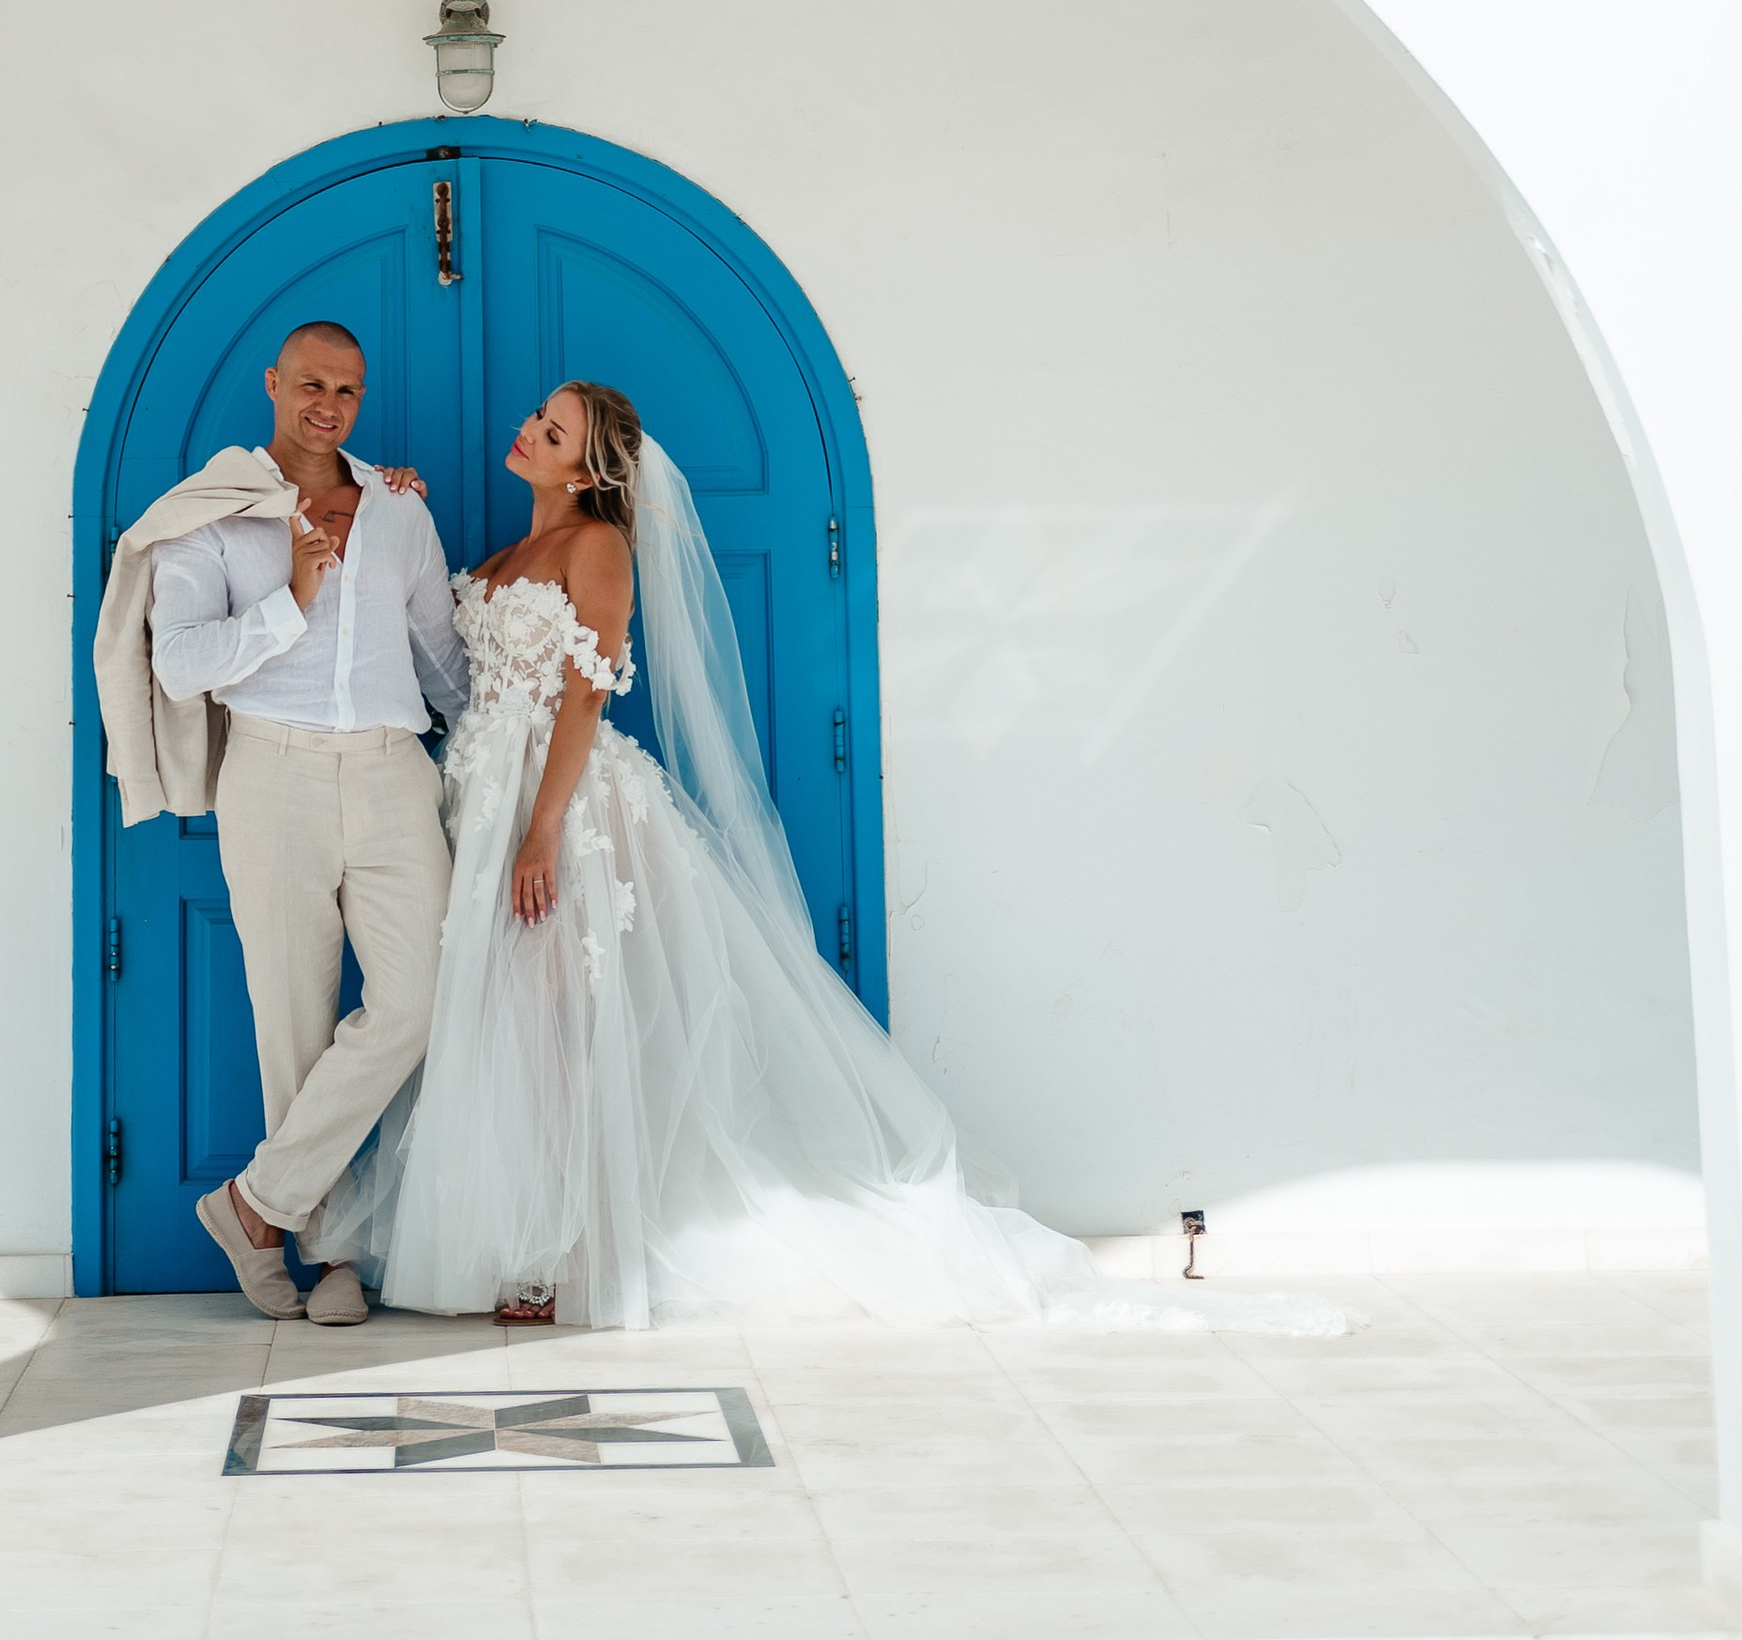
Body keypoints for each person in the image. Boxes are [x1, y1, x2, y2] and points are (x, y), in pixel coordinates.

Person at [308, 378, 1343, 1339]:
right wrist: (392, 501)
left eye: (554, 428)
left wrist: (541, 829)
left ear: (583, 469)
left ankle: (572, 1254)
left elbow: (586, 691)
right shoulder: (497, 557)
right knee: (505, 1029)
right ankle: (517, 1245)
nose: (530, 428)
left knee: (571, 1029)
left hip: (563, 811)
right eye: (539, 415)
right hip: (481, 804)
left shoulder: (597, 545)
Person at [92, 319, 467, 1327]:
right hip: (273, 775)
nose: (327, 405)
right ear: (272, 382)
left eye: (345, 389)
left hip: (393, 775)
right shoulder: (214, 517)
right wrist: (292, 602)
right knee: (291, 1020)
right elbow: (177, 664)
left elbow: (439, 660)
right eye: (309, 384)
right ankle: (326, 1253)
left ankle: (253, 1205)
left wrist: (513, 742)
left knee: (419, 1001)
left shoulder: (398, 510)